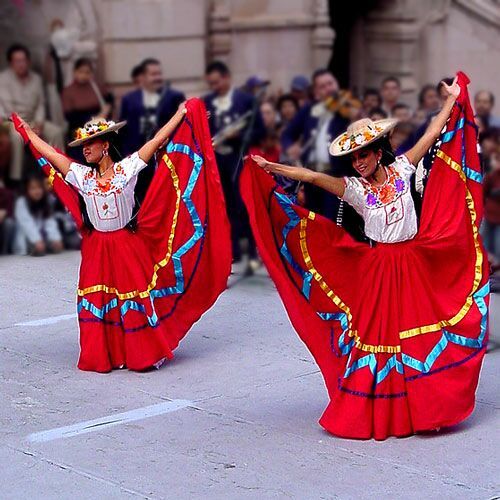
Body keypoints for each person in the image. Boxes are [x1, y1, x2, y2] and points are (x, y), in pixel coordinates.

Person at [242, 73, 488, 439]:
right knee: (379, 339)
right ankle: (380, 411)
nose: (358, 162)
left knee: (418, 338)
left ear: (379, 151)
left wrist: (453, 99)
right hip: (378, 269)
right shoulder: (354, 190)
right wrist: (272, 168)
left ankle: (425, 407)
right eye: (354, 157)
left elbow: (432, 133)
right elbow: (311, 176)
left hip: (413, 264)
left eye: (364, 154)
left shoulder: (404, 169)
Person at [11, 96, 231, 373]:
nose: (85, 151)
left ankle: (142, 354)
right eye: (82, 146)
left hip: (126, 244)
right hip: (97, 247)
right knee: (100, 299)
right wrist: (26, 131)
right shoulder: (81, 175)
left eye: (90, 144)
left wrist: (180, 114)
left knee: (132, 298)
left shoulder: (127, 169)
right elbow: (51, 155)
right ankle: (105, 355)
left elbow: (154, 142)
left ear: (105, 145)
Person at [281, 69, 362, 235]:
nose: (329, 89)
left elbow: (358, 123)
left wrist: (353, 115)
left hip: (336, 176)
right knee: (314, 220)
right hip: (312, 175)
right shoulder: (309, 110)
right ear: (317, 92)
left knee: (332, 223)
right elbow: (288, 134)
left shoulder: (346, 108)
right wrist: (291, 147)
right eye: (323, 86)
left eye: (331, 84)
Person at [203, 60, 265, 268]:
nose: (214, 88)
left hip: (239, 157)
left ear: (227, 78)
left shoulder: (246, 100)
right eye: (211, 84)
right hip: (216, 160)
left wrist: (238, 134)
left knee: (245, 203)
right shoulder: (207, 102)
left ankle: (255, 251)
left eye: (217, 82)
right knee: (225, 205)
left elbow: (260, 131)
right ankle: (233, 251)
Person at [0, 44, 64, 182]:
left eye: (23, 60)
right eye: (17, 61)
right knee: (17, 138)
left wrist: (39, 123)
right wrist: (25, 128)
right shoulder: (3, 80)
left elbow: (41, 104)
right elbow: (7, 108)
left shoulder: (36, 79)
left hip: (34, 120)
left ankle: (61, 169)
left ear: (28, 62)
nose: (21, 64)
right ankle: (15, 179)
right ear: (11, 63)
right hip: (13, 122)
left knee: (56, 132)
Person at [119, 58, 185, 155]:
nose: (158, 78)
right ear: (143, 77)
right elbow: (124, 130)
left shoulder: (174, 97)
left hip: (167, 154)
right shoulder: (129, 100)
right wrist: (126, 154)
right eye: (153, 74)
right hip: (137, 156)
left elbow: (182, 126)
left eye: (159, 74)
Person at [62, 58, 114, 143]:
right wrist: (92, 119)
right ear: (75, 72)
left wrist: (106, 111)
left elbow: (109, 100)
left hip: (100, 124)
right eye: (81, 72)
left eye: (87, 73)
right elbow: (69, 117)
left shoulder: (96, 87)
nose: (83, 75)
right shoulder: (68, 91)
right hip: (80, 128)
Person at [13, 175, 64, 256]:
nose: (37, 191)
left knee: (55, 245)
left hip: (43, 241)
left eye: (39, 188)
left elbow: (50, 222)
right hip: (27, 241)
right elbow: (27, 224)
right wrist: (37, 240)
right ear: (26, 190)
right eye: (32, 189)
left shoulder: (46, 202)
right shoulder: (21, 202)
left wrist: (55, 239)